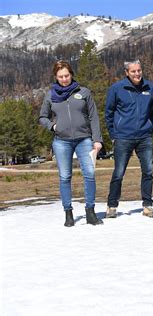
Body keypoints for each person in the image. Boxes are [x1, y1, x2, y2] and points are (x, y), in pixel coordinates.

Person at [39, 60, 103, 227]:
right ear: (56, 77)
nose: (64, 79)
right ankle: (68, 213)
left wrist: (97, 139)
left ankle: (90, 212)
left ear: (72, 74)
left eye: (67, 75)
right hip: (61, 141)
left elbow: (93, 117)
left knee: (89, 174)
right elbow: (42, 117)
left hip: (84, 139)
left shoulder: (84, 92)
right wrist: (52, 126)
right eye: (61, 76)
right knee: (65, 176)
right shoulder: (50, 95)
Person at [104, 59, 153, 218]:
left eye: (139, 70)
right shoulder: (116, 89)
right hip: (123, 137)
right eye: (133, 71)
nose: (137, 74)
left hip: (144, 137)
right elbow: (109, 113)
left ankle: (148, 206)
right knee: (119, 172)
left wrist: (150, 129)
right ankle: (112, 206)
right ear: (126, 73)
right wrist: (113, 134)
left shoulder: (151, 88)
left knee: (148, 171)